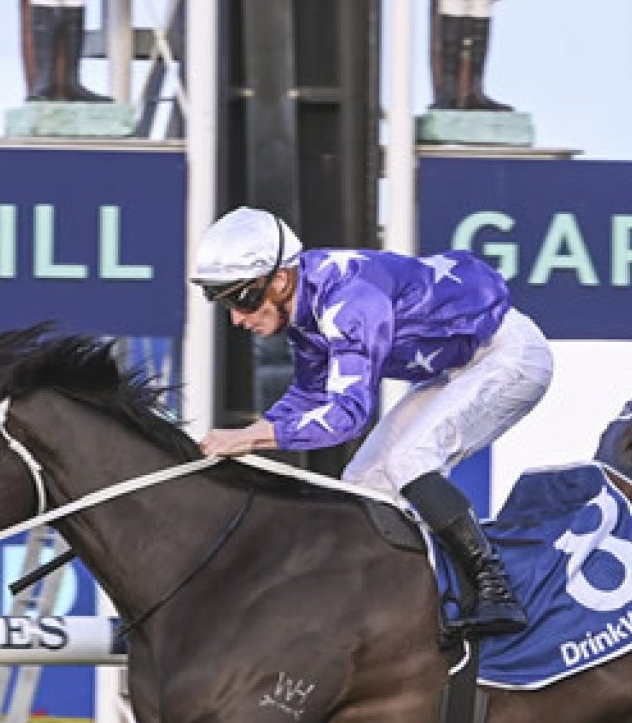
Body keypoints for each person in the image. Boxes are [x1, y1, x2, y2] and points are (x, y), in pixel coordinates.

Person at [192, 207, 555, 637]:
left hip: (509, 356)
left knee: (408, 460)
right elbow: (309, 396)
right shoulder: (305, 307)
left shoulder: (349, 303)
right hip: (459, 366)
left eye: (241, 299)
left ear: (280, 279)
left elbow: (348, 416)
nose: (236, 318)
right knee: (362, 484)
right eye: (224, 303)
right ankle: (396, 603)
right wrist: (240, 437)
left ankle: (495, 590)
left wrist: (251, 439)